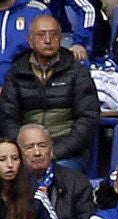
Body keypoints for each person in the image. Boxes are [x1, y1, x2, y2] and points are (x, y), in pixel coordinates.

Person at [0, 11, 93, 162]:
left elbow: (87, 119)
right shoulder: (17, 72)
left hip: (65, 153)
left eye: (53, 35)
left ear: (61, 39)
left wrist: (56, 152)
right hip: (26, 153)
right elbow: (7, 119)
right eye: (41, 35)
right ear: (30, 41)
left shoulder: (77, 72)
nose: (48, 40)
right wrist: (27, 150)